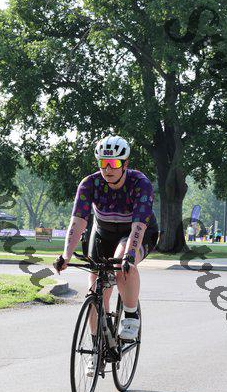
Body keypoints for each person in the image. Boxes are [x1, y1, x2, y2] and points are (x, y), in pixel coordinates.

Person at [57, 135, 159, 349]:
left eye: (113, 163)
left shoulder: (140, 183)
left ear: (125, 164)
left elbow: (138, 226)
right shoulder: (89, 184)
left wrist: (130, 256)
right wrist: (66, 255)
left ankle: (130, 315)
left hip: (136, 231)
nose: (108, 169)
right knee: (94, 291)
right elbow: (77, 222)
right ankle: (98, 347)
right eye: (103, 163)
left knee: (122, 262)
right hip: (103, 233)